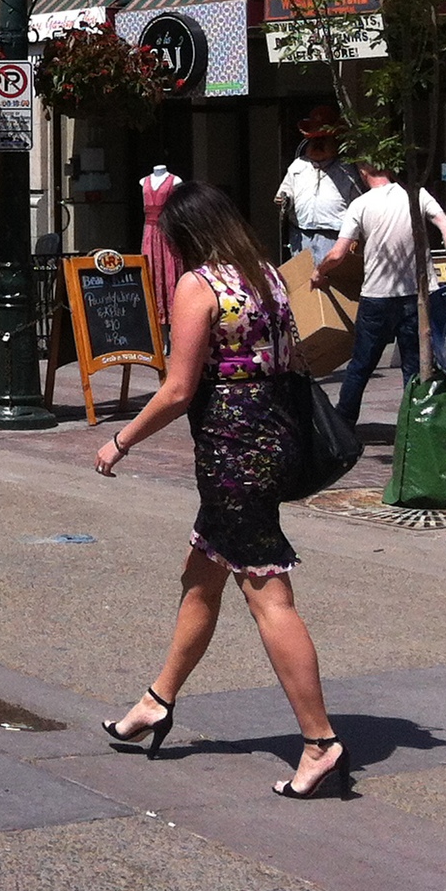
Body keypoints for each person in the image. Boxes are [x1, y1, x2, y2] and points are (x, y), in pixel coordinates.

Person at [94, 179, 348, 800]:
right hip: (276, 440)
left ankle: (320, 740)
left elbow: (179, 389)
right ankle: (157, 700)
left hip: (233, 452)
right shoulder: (264, 275)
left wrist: (120, 440)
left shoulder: (199, 285)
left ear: (185, 238)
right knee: (201, 575)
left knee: (269, 595)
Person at [315, 163, 446, 425]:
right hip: (416, 294)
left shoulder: (360, 205)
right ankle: (415, 424)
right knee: (415, 367)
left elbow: (338, 253)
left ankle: (344, 426)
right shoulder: (416, 194)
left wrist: (319, 272)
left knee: (360, 365)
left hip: (377, 296)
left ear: (363, 172)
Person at [275, 107, 361, 266]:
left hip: (334, 236)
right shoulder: (298, 165)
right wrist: (284, 200)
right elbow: (284, 194)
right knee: (302, 281)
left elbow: (358, 205)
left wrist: (354, 236)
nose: (318, 145)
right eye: (314, 141)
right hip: (301, 234)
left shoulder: (346, 169)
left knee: (330, 278)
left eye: (324, 140)